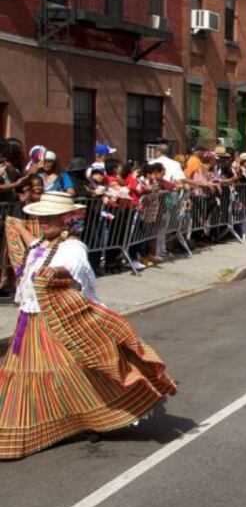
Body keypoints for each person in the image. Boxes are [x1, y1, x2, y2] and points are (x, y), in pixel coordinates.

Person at [1, 192, 177, 458]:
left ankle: (94, 418)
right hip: (30, 322)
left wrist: (55, 276)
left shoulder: (73, 249)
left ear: (64, 219)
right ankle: (36, 425)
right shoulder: (44, 244)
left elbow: (73, 280)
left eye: (50, 217)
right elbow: (34, 243)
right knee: (34, 375)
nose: (43, 222)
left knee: (73, 372)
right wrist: (19, 226)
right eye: (40, 217)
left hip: (56, 321)